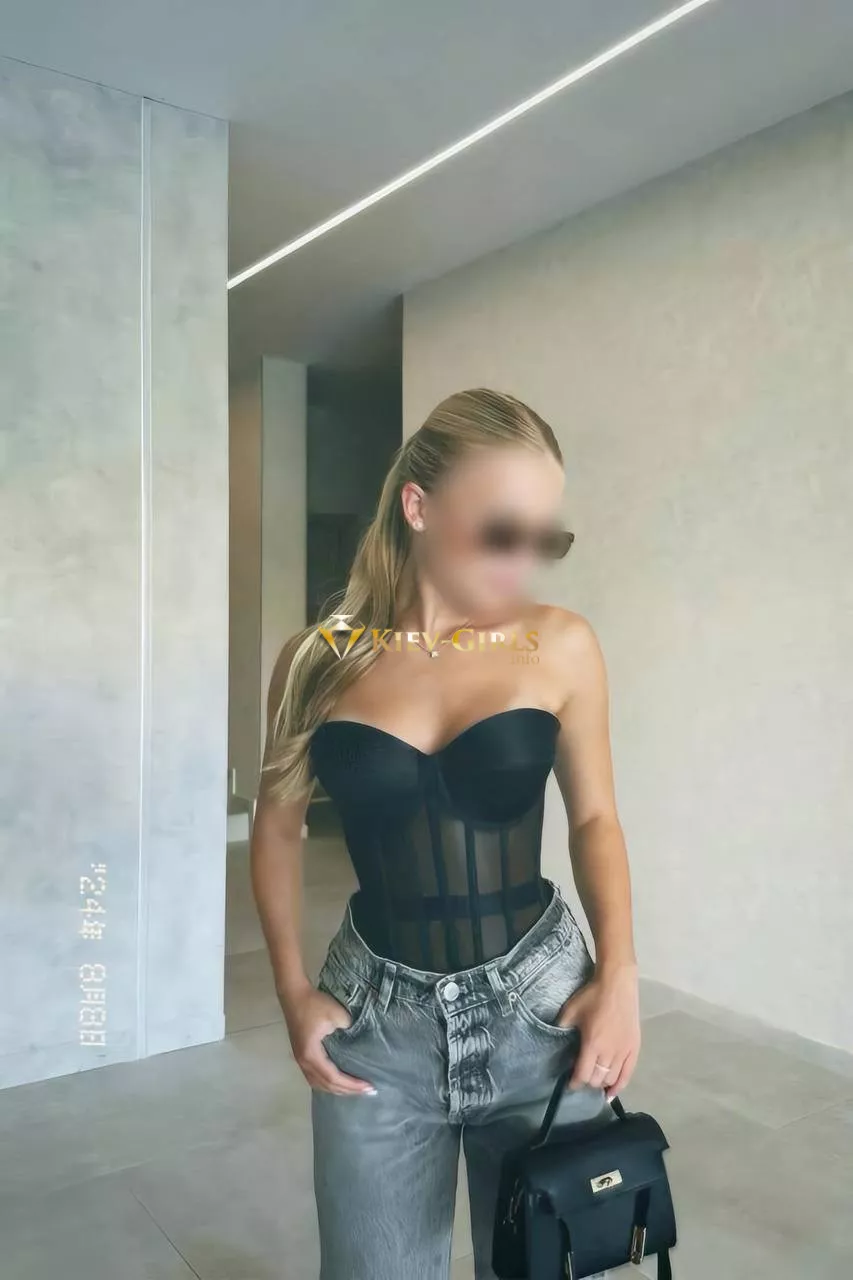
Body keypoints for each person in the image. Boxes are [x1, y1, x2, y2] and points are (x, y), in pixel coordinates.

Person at [251, 388, 640, 1280]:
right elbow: (274, 830)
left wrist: (619, 974)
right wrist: (290, 989)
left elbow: (594, 818)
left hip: (541, 1009)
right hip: (375, 1022)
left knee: (544, 1266)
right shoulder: (316, 660)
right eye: (502, 532)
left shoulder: (558, 643)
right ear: (418, 507)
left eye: (545, 539)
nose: (525, 562)